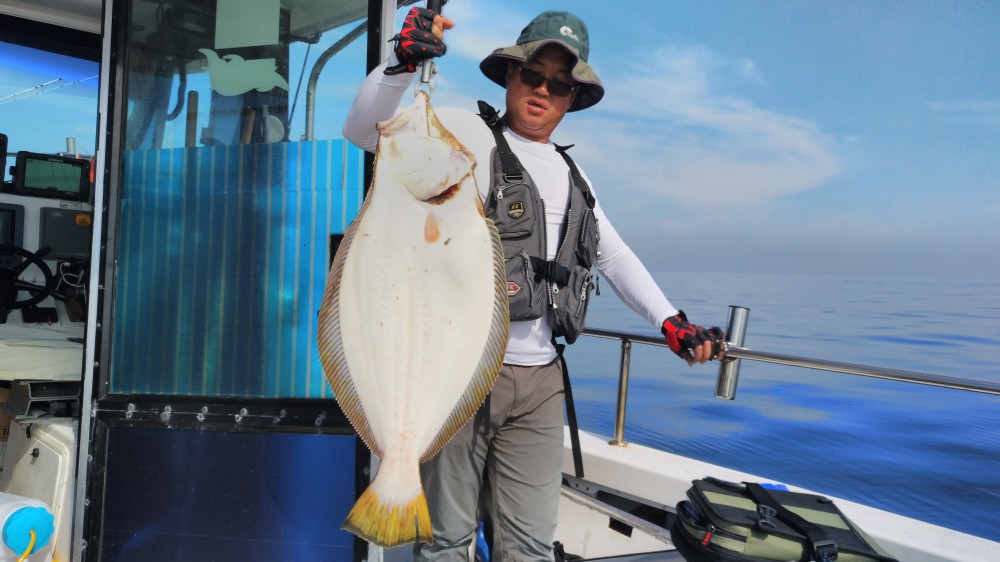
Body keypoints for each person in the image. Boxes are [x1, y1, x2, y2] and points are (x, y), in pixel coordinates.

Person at [342, 8, 725, 561]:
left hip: (542, 382)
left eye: (560, 84)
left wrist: (671, 321)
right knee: (446, 540)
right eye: (532, 74)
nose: (543, 90)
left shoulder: (575, 175)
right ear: (510, 75)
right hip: (460, 374)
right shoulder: (465, 136)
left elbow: (613, 254)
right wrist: (401, 65)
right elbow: (363, 130)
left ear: (573, 97)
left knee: (530, 545)